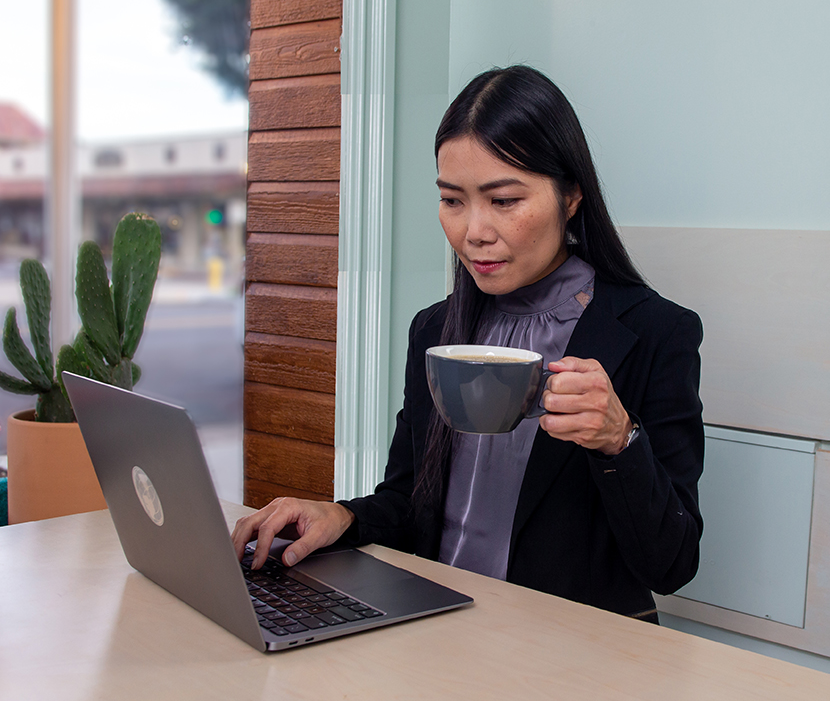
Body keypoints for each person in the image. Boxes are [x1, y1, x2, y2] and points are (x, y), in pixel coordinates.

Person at [232, 65, 704, 622]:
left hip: (572, 659)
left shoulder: (653, 333)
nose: (473, 230)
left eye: (503, 200)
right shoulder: (435, 332)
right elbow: (412, 506)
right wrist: (341, 517)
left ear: (571, 196)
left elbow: (672, 566)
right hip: (437, 628)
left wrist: (619, 441)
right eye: (453, 200)